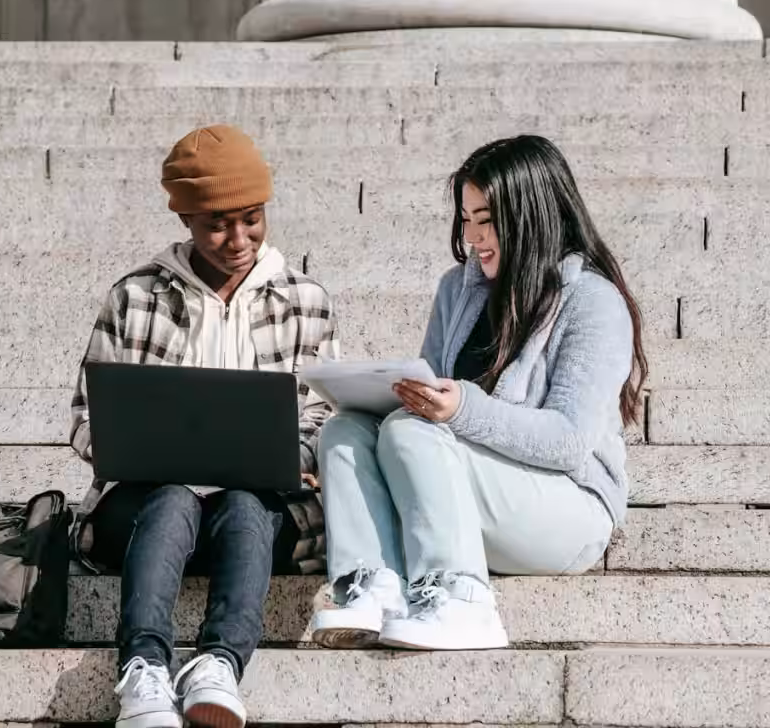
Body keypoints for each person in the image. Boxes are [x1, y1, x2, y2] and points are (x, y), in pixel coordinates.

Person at [308, 134, 647, 651]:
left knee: (411, 431)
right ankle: (373, 586)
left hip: (569, 507)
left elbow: (569, 441)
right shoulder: (456, 290)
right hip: (474, 492)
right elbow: (428, 405)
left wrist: (461, 408)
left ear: (530, 215)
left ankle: (462, 601)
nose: (473, 237)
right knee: (346, 429)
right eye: (466, 220)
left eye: (486, 219)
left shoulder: (593, 303)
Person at [67, 124, 338, 728]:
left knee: (244, 504)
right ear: (185, 219)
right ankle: (143, 671)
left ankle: (218, 664)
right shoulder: (135, 297)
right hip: (143, 510)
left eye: (251, 218)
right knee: (171, 498)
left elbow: (323, 411)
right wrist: (134, 451)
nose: (237, 239)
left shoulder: (306, 301)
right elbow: (88, 417)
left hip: (260, 509)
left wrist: (296, 455)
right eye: (217, 223)